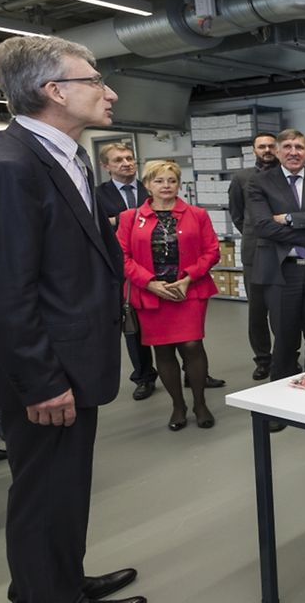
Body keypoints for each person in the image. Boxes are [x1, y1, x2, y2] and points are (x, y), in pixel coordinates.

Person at [0, 35, 145, 603]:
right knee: (43, 493)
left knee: (66, 488)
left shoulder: (63, 157)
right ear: (53, 91)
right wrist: (41, 381)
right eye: (94, 80)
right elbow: (2, 290)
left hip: (74, 358)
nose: (109, 91)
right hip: (45, 374)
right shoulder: (9, 165)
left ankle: (62, 583)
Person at [117, 161, 221, 431]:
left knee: (192, 346)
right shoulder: (130, 217)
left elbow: (212, 251)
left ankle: (199, 403)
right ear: (147, 185)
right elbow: (122, 257)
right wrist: (150, 283)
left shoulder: (197, 214)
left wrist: (188, 277)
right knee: (162, 350)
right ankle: (178, 405)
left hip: (189, 289)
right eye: (159, 181)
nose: (166, 186)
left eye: (171, 181)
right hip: (151, 294)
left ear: (178, 184)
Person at [248, 129, 305, 396]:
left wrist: (287, 218)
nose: (293, 152)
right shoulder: (259, 183)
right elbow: (263, 226)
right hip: (281, 273)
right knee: (285, 342)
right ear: (277, 152)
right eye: (287, 147)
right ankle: (281, 402)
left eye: (299, 147)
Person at [95, 141, 158, 401]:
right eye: (119, 159)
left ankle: (190, 369)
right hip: (122, 270)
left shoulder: (152, 187)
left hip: (158, 265)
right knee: (134, 326)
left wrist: (117, 219)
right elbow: (97, 226)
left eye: (130, 158)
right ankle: (143, 376)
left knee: (171, 322)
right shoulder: (97, 194)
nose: (126, 163)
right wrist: (126, 218)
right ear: (106, 166)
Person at [228, 131, 279, 380]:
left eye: (271, 145)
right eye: (262, 146)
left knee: (284, 309)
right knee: (257, 311)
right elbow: (237, 214)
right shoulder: (242, 178)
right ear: (254, 150)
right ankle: (263, 359)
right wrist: (256, 234)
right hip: (255, 252)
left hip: (285, 251)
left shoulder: (288, 176)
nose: (267, 150)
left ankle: (285, 355)